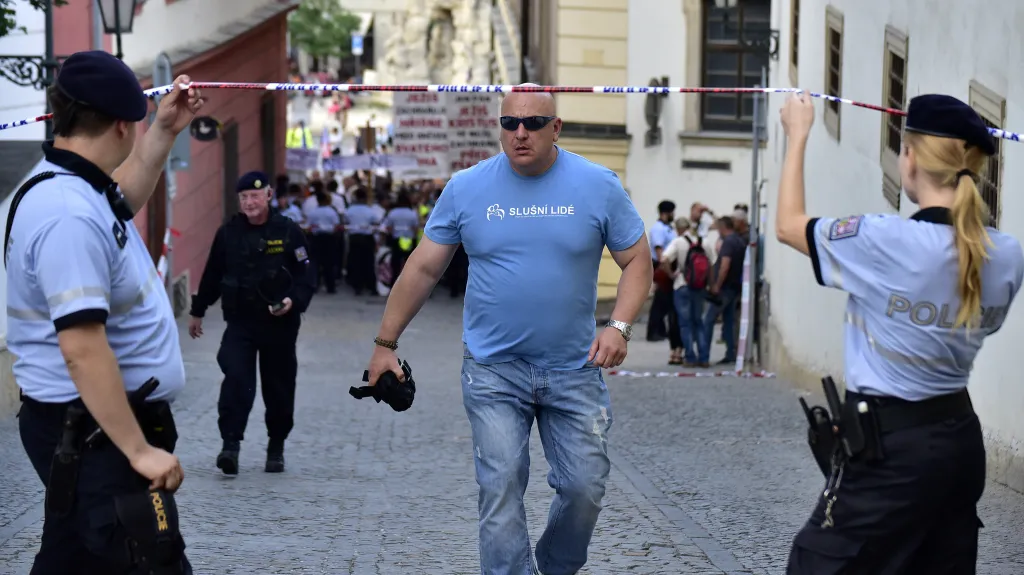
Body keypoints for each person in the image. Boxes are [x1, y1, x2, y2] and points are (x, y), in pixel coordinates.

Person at [364, 84, 652, 575]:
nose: (521, 133)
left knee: (585, 487)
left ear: (555, 128)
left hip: (573, 368)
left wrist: (619, 327)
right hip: (493, 371)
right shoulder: (467, 187)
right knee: (501, 487)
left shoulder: (598, 184)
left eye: (534, 124)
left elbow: (637, 260)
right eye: (509, 124)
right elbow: (422, 270)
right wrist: (385, 345)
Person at [776, 92, 1024, 574]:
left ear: (908, 158)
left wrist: (798, 134)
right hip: (958, 442)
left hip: (891, 445)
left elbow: (788, 226)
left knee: (818, 564)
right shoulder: (1008, 253)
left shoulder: (884, 239)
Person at [6, 50, 203, 574]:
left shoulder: (76, 186)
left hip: (88, 426)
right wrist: (138, 450)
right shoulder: (68, 213)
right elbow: (82, 346)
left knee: (70, 558)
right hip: (95, 431)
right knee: (150, 558)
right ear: (120, 124)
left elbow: (124, 197)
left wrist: (163, 132)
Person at [188, 171, 317, 475]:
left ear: (269, 196)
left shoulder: (288, 232)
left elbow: (307, 275)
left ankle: (276, 446)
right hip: (241, 322)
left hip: (280, 324)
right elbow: (212, 274)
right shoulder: (228, 233)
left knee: (279, 386)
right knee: (235, 378)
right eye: (244, 197)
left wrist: (293, 301)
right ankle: (230, 446)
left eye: (255, 196)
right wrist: (198, 310)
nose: (249, 202)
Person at [659, 217, 713, 367]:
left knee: (685, 324)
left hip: (682, 284)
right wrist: (711, 284)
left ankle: (690, 357)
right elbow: (712, 264)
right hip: (700, 287)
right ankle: (704, 358)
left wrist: (671, 274)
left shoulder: (678, 242)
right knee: (699, 322)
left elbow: (664, 259)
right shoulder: (705, 242)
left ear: (678, 229)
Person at [701, 215, 745, 365]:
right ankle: (731, 353)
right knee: (729, 321)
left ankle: (704, 355)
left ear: (723, 227)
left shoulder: (728, 242)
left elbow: (725, 265)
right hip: (734, 287)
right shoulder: (739, 241)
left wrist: (716, 285)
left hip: (724, 288)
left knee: (708, 320)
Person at [306, 189, 342, 294]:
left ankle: (314, 285)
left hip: (316, 238)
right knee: (329, 264)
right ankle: (330, 287)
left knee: (315, 263)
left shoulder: (313, 212)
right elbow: (336, 226)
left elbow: (309, 227)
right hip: (329, 239)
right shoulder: (331, 212)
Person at [382, 190, 421, 282]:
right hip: (408, 239)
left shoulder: (393, 212)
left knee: (395, 262)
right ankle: (409, 281)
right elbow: (415, 228)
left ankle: (394, 282)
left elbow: (389, 227)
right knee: (409, 262)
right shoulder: (412, 213)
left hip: (397, 239)